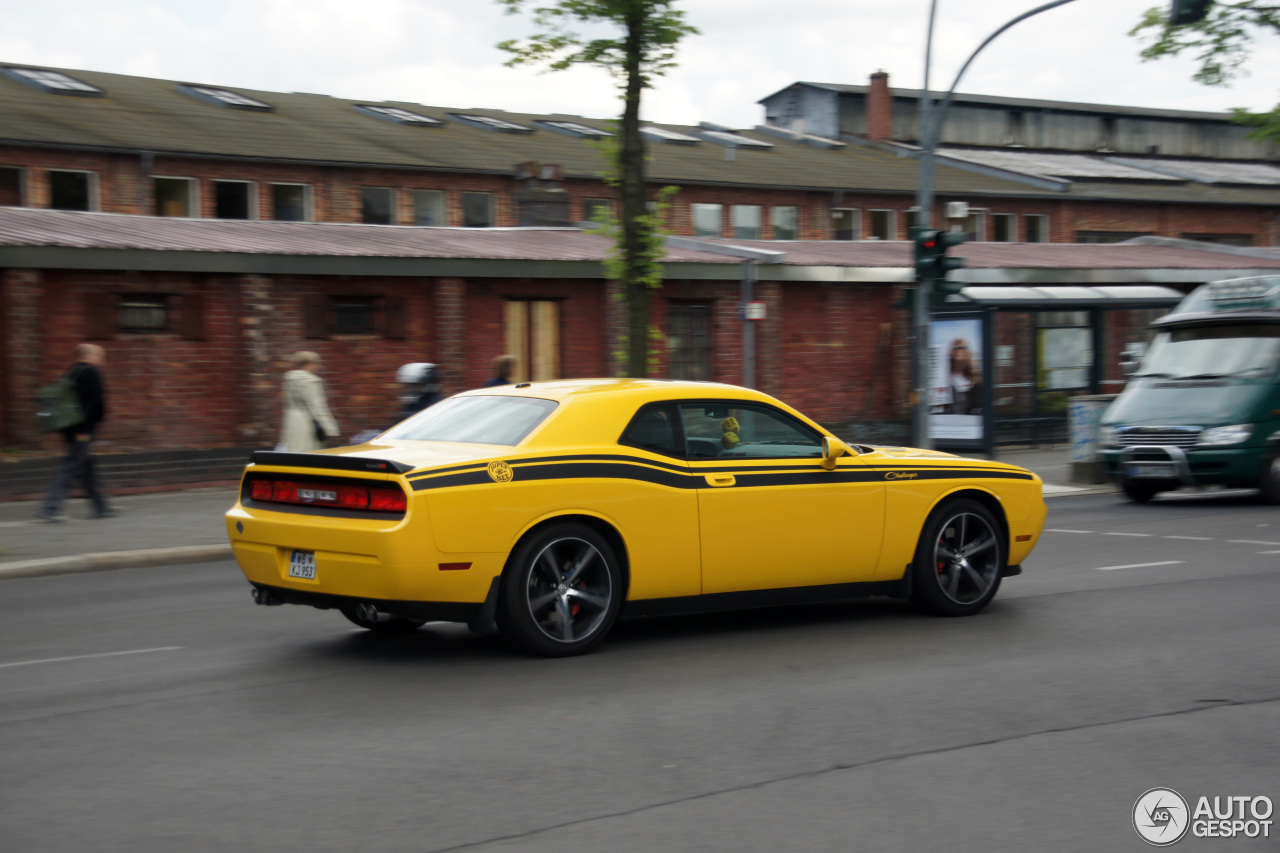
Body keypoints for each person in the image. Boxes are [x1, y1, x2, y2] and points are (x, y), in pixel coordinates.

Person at [39, 343, 112, 522]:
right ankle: (51, 508)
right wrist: (97, 421)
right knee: (71, 465)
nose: (101, 360)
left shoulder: (72, 373)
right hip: (83, 429)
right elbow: (98, 403)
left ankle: (101, 506)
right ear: (90, 356)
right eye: (100, 356)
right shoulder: (90, 373)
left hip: (70, 427)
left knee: (86, 466)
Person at [280, 351, 339, 452]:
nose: (318, 366)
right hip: (306, 423)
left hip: (292, 420)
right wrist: (330, 428)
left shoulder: (290, 379)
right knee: (308, 455)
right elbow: (317, 407)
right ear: (310, 364)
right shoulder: (311, 381)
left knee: (293, 453)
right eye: (317, 363)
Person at [946, 339, 982, 415]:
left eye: (963, 347)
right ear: (952, 352)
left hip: (969, 420)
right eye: (956, 348)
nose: (960, 350)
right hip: (950, 419)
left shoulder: (974, 371)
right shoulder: (946, 372)